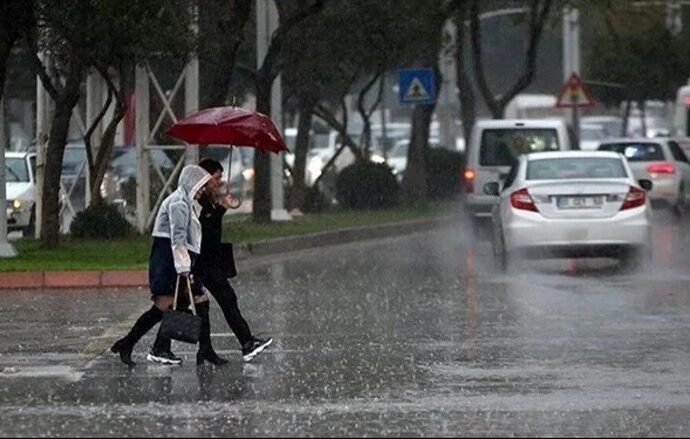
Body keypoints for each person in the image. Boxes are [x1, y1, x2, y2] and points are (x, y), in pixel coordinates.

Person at [110, 165, 212, 367]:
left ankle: (152, 346)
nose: (202, 190)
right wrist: (184, 268)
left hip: (174, 259)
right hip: (169, 260)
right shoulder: (179, 203)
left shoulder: (187, 202)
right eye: (200, 185)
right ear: (191, 183)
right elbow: (178, 238)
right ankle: (137, 344)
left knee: (178, 304)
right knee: (164, 307)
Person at [195, 158, 272, 363]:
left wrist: (221, 206)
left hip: (209, 261)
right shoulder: (198, 200)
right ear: (205, 177)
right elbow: (204, 230)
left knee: (205, 306)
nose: (219, 182)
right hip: (204, 263)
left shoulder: (208, 199)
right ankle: (246, 343)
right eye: (216, 178)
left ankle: (206, 350)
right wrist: (220, 209)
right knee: (225, 300)